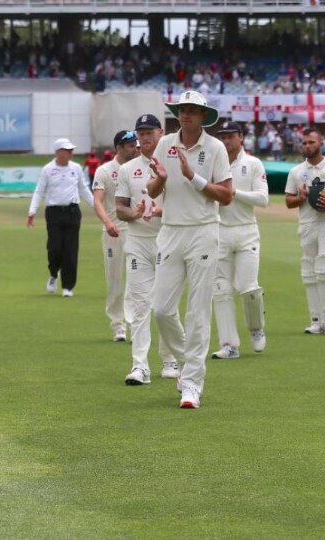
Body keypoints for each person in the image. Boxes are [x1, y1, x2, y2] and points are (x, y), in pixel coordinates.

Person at [148, 90, 233, 409]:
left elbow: (226, 195)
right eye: (182, 109)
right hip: (170, 231)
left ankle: (193, 384)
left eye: (193, 110)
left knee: (197, 311)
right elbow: (152, 189)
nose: (186, 114)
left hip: (203, 232)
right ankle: (189, 366)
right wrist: (161, 180)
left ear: (203, 116)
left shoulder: (215, 148)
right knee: (160, 309)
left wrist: (192, 177)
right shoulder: (164, 144)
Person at [115, 114, 179, 385]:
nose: (145, 137)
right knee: (140, 305)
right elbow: (120, 208)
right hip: (138, 243)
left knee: (166, 306)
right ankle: (140, 366)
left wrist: (161, 210)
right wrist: (135, 213)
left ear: (160, 132)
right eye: (140, 132)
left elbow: (187, 202)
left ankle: (170, 358)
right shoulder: (129, 169)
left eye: (149, 131)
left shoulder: (174, 163)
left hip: (169, 239)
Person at [211, 121, 269, 359]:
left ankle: (256, 329)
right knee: (220, 290)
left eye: (230, 136)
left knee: (249, 288)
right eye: (222, 137)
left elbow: (263, 199)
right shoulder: (214, 163)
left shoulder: (252, 163)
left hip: (246, 232)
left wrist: (234, 193)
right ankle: (229, 345)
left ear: (241, 137)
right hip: (220, 231)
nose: (226, 141)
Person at [27, 138, 94, 297]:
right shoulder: (48, 169)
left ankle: (68, 287)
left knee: (71, 250)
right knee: (55, 248)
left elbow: (84, 190)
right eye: (67, 150)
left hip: (72, 212)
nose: (70, 153)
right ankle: (53, 274)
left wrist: (97, 208)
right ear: (58, 152)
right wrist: (32, 211)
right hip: (54, 213)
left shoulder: (76, 168)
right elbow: (39, 191)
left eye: (71, 150)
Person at [92, 130, 138, 341]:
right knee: (115, 281)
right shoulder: (105, 170)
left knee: (137, 280)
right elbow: (98, 201)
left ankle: (135, 321)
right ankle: (118, 324)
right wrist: (108, 223)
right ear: (119, 147)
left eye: (135, 144)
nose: (135, 148)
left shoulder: (139, 168)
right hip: (114, 233)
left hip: (137, 232)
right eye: (130, 145)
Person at [284, 127, 325, 333]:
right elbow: (288, 201)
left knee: (323, 270)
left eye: (312, 142)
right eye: (305, 143)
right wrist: (300, 198)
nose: (307, 146)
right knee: (309, 272)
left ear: (321, 143)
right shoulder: (296, 171)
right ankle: (316, 321)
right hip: (307, 224)